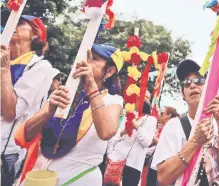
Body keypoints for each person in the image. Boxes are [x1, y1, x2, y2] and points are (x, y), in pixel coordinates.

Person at [14, 44, 124, 185]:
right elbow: (27, 135)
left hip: (79, 179)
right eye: (84, 57)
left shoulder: (113, 100)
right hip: (38, 177)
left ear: (109, 71)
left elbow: (106, 132)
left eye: (94, 59)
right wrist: (49, 112)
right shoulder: (64, 92)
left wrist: (92, 90)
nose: (84, 62)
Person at [151, 59, 219, 185]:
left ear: (210, 87)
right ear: (183, 94)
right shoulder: (173, 125)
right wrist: (195, 141)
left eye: (199, 80)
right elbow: (163, 178)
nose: (192, 85)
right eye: (186, 83)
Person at [1, 11, 53, 186]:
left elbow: (10, 112)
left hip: (6, 152)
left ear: (35, 34)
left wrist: (4, 70)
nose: (11, 25)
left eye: (19, 22)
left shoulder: (40, 66)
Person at [107, 90, 157, 186]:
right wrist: (122, 133)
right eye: (137, 98)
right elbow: (112, 141)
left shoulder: (151, 120)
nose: (138, 100)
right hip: (115, 160)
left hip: (134, 165)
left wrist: (137, 127)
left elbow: (146, 142)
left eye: (141, 98)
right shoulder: (127, 115)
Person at [144, 106, 178, 186]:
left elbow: (164, 144)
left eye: (162, 113)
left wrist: (152, 136)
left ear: (169, 115)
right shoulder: (162, 127)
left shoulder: (173, 128)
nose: (160, 115)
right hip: (154, 164)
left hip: (163, 166)